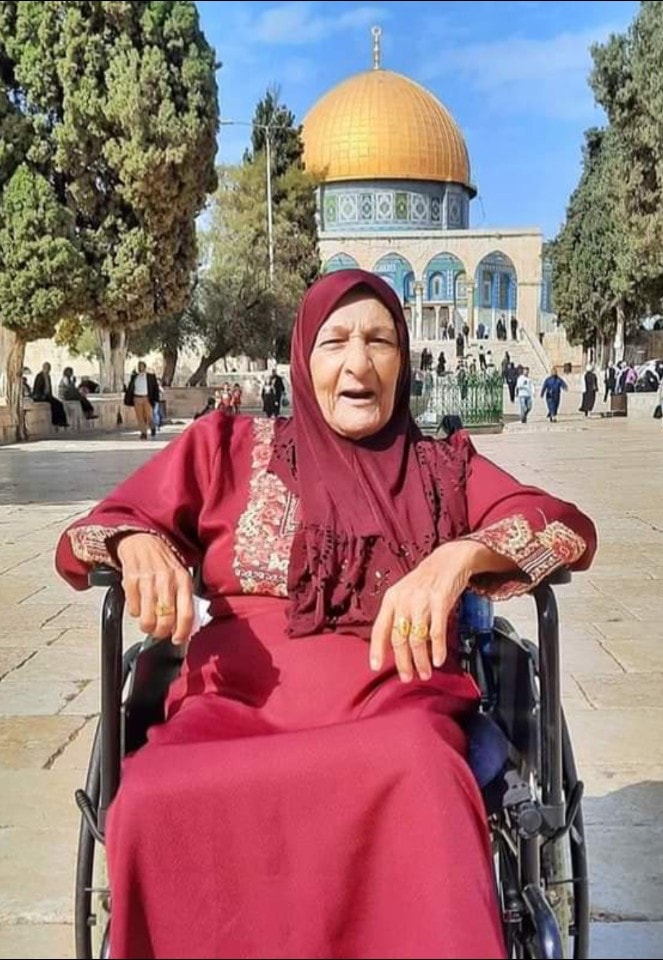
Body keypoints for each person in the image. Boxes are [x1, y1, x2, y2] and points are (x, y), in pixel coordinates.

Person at [55, 269, 596, 960]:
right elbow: (94, 531)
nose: (357, 363)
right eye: (335, 341)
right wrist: (136, 544)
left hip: (394, 704)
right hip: (233, 706)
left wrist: (458, 556)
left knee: (421, 771)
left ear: (404, 359)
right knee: (153, 795)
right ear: (303, 359)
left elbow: (563, 528)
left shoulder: (441, 468)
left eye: (379, 341)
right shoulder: (226, 449)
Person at [124, 361, 160, 439]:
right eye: (139, 366)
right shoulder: (135, 377)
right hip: (137, 398)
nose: (140, 368)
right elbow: (130, 387)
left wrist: (156, 399)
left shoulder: (150, 377)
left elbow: (155, 388)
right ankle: (143, 433)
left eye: (141, 366)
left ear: (144, 367)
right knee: (140, 417)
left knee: (149, 415)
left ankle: (152, 427)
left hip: (146, 398)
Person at [31, 362, 68, 427]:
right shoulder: (39, 376)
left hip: (47, 396)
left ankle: (62, 421)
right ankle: (56, 421)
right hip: (40, 396)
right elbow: (37, 388)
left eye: (49, 368)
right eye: (46, 368)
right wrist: (42, 396)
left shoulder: (48, 376)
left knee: (59, 404)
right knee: (54, 404)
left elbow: (49, 388)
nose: (48, 370)